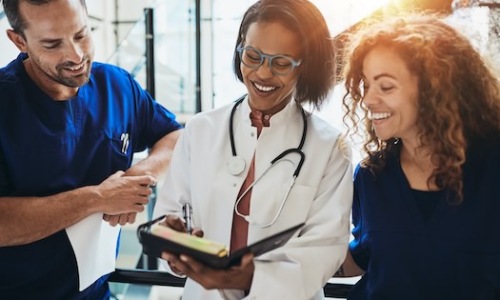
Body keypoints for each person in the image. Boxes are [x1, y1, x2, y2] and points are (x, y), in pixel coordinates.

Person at [152, 0, 353, 299]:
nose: (262, 74)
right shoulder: (201, 129)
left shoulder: (329, 147)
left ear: (305, 65)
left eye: (281, 63)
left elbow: (325, 247)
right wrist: (174, 248)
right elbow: (168, 213)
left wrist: (256, 278)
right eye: (252, 56)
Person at [0, 0, 183, 299]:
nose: (76, 55)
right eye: (52, 44)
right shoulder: (6, 103)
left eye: (82, 34)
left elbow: (174, 137)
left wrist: (137, 178)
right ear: (19, 41)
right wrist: (97, 198)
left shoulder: (116, 85)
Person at [337, 13, 500, 299]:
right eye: (366, 84)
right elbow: (364, 257)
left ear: (433, 88)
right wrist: (280, 261)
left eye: (385, 86)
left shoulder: (492, 167)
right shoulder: (372, 176)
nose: (367, 99)